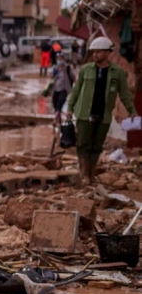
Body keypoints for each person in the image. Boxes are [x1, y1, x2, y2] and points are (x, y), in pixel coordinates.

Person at [65, 36, 138, 186]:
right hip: (85, 114)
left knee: (96, 146)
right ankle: (84, 174)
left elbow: (124, 94)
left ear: (107, 53)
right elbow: (76, 91)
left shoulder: (117, 72)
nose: (95, 55)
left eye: (98, 52)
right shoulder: (86, 70)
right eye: (93, 52)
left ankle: (91, 175)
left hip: (103, 115)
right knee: (82, 145)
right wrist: (70, 109)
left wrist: (132, 111)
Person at [50, 53, 75, 121]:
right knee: (55, 105)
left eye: (61, 59)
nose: (59, 60)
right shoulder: (55, 68)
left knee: (60, 102)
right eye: (58, 59)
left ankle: (55, 119)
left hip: (64, 89)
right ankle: (59, 119)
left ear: (64, 59)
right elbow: (52, 78)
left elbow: (74, 77)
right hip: (55, 89)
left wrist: (75, 89)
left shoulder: (68, 68)